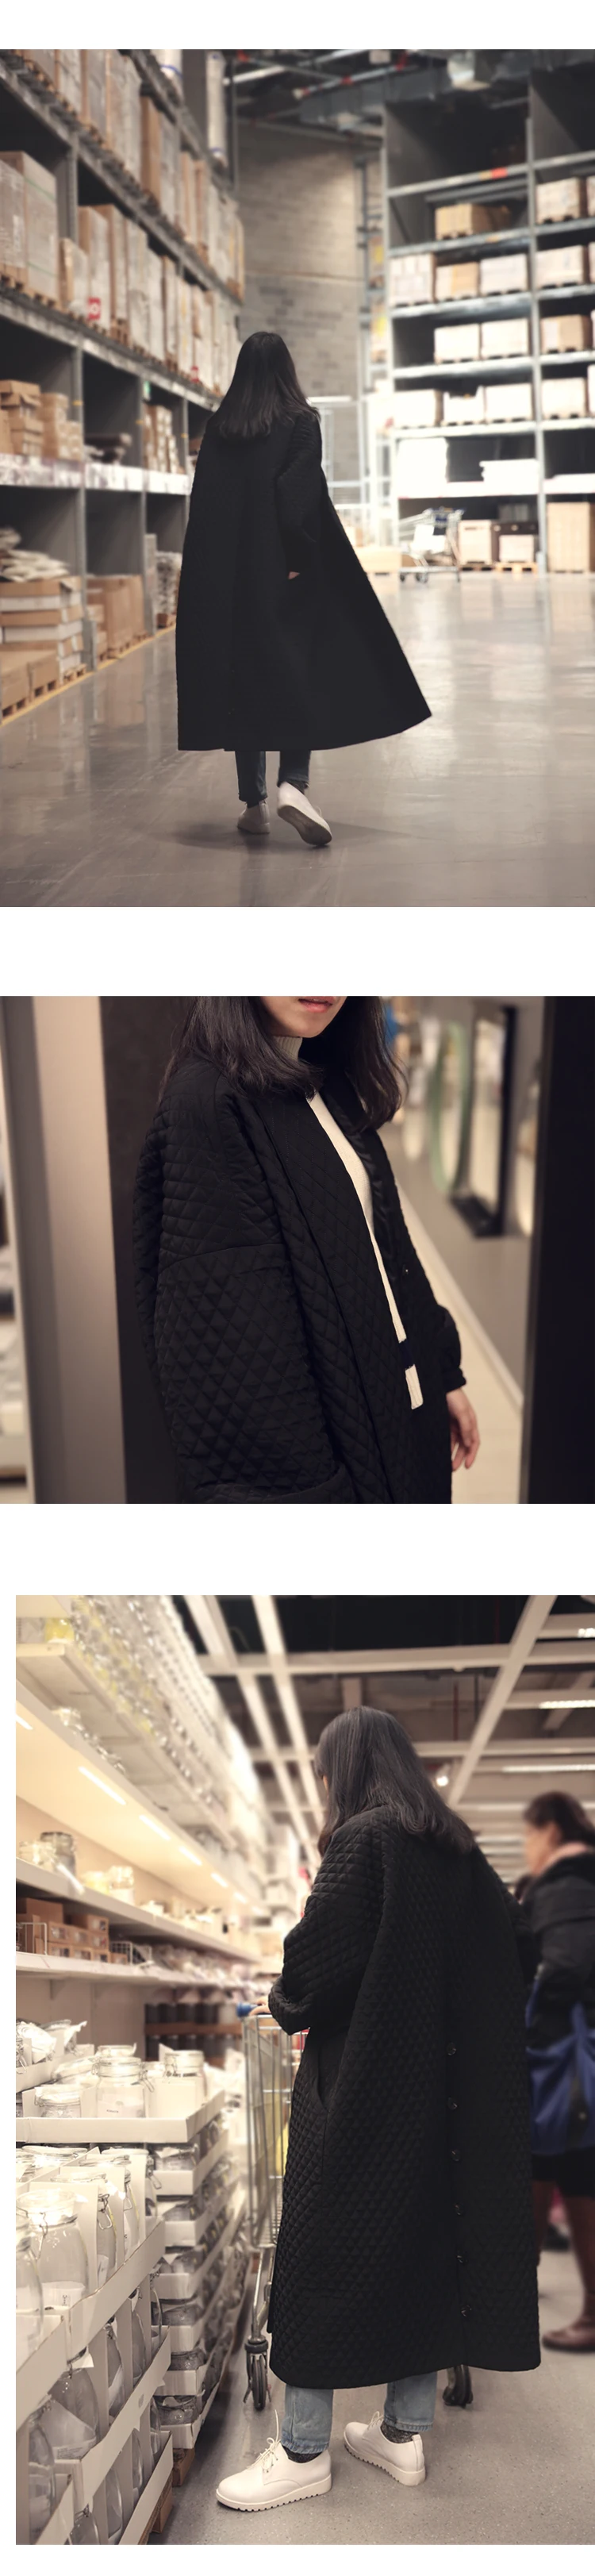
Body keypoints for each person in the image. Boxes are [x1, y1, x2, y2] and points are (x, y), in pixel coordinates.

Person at [216, 1706, 539, 2513]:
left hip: (363, 2093)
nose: (325, 1786)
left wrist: (285, 2003)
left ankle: (302, 2450)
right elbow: (515, 1952)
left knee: (317, 2257)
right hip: (444, 2101)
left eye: (326, 1772)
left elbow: (316, 1962)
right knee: (420, 2253)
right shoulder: (460, 1851)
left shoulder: (363, 1840)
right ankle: (402, 2434)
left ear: (348, 1769)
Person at [133, 997, 479, 1503]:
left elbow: (389, 1250)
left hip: (404, 1410)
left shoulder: (320, 1075)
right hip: (336, 1463)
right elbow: (243, 1361)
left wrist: (441, 1368)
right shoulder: (207, 1106)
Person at [175, 330, 430, 849]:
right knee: (296, 669)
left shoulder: (220, 427)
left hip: (227, 578)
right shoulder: (300, 421)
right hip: (282, 569)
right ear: (285, 370)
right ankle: (293, 784)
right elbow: (298, 497)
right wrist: (299, 559)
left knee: (243, 680)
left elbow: (206, 506)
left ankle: (253, 806)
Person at [520, 1791, 595, 2352]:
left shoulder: (566, 1883)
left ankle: (520, 2297)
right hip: (577, 2051)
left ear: (548, 1830)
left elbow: (564, 1966)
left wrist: (526, 2018)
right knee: (569, 2170)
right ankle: (519, 2292)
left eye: (529, 1835)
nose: (528, 1848)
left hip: (562, 2057)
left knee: (558, 2166)